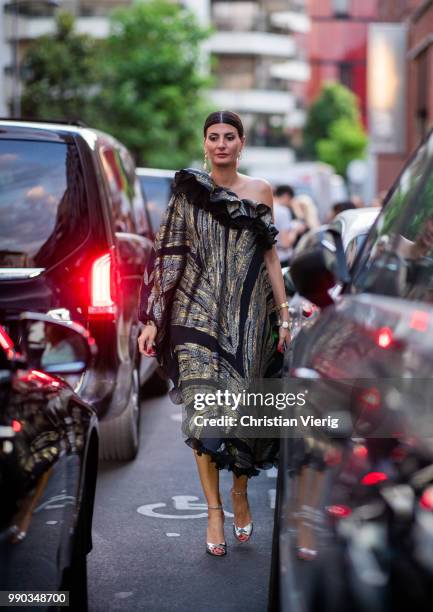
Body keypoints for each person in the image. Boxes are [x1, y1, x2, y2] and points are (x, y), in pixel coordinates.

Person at [137, 110, 290, 557]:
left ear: (242, 143)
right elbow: (167, 253)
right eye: (213, 137)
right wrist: (152, 318)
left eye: (229, 137)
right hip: (195, 314)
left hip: (248, 318)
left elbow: (270, 256)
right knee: (204, 414)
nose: (221, 144)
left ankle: (240, 493)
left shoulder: (260, 190)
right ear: (204, 143)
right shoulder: (187, 191)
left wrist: (282, 314)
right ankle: (213, 510)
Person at [273, 185, 304, 266]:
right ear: (286, 196)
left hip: (269, 258)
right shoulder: (283, 211)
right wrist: (295, 230)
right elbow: (285, 243)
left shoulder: (267, 208)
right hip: (282, 258)